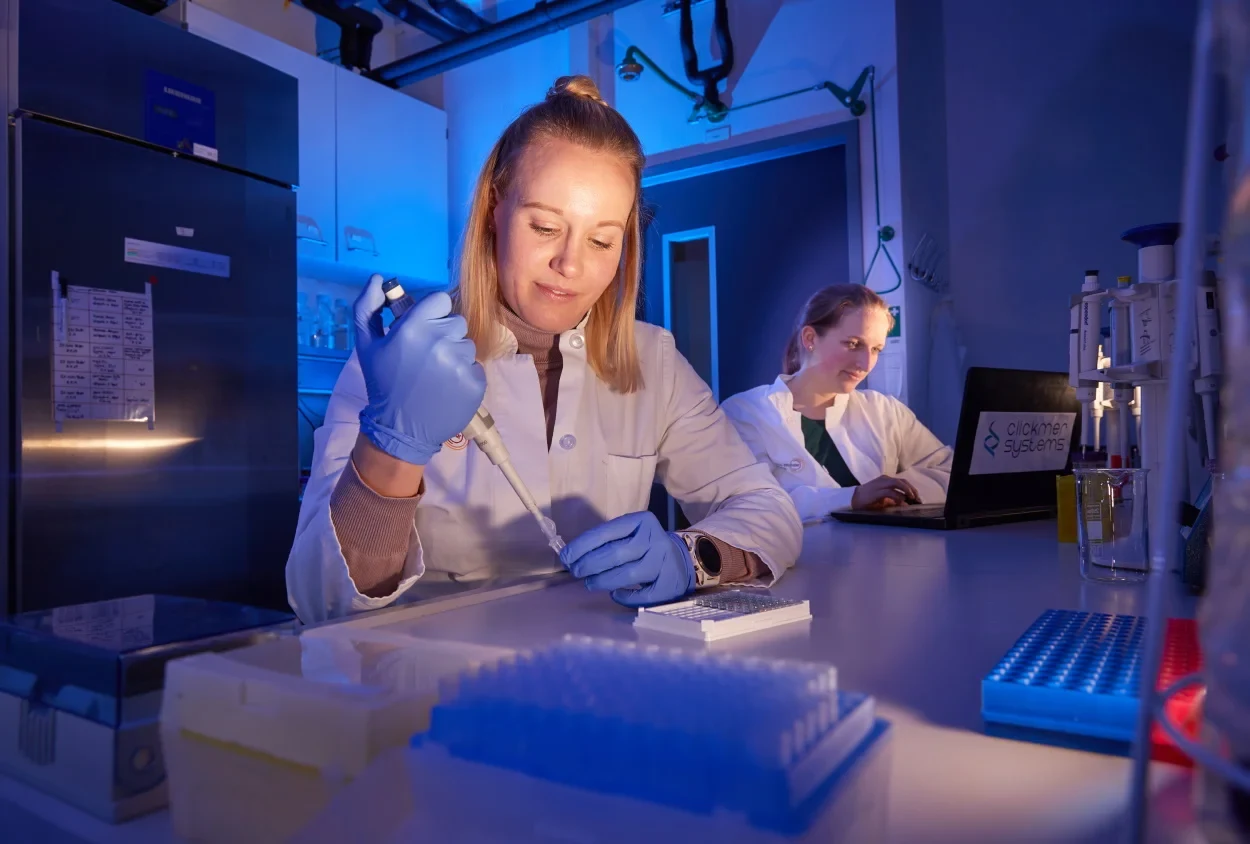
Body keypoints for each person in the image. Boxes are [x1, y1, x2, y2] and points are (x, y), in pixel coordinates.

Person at [286, 75, 802, 624]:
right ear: (493, 211)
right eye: (545, 226)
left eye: (602, 240)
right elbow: (320, 600)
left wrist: (691, 556)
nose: (571, 266)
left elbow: (770, 509)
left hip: (591, 679)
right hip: (429, 687)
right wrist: (394, 441)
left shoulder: (653, 360)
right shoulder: (407, 352)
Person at [721, 284, 952, 524]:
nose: (865, 364)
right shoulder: (746, 413)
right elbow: (747, 505)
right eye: (853, 344)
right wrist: (852, 498)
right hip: (797, 560)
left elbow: (951, 472)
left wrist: (898, 493)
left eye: (876, 349)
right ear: (810, 338)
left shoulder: (885, 411)